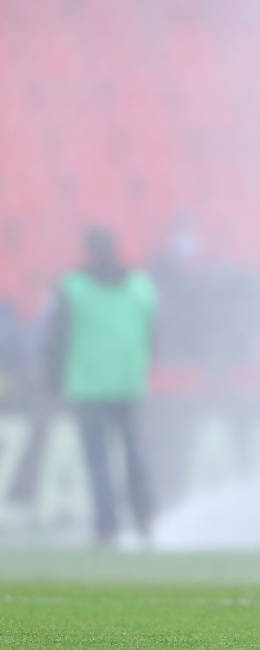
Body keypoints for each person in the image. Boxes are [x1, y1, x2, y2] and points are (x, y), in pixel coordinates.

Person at [45, 226, 157, 547]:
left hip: (88, 385)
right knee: (135, 455)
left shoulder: (73, 286)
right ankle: (144, 519)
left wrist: (54, 380)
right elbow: (153, 333)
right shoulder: (140, 285)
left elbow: (57, 338)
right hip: (128, 382)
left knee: (98, 461)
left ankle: (106, 528)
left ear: (88, 250)